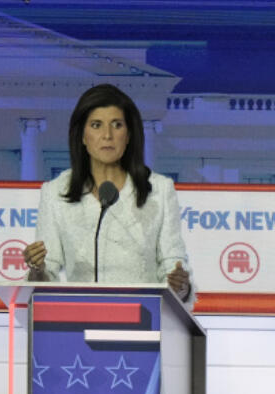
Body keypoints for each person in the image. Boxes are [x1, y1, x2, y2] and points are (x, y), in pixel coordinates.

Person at [25, 84, 192, 302]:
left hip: (143, 319)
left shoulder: (159, 190)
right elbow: (47, 273)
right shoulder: (55, 193)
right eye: (96, 125)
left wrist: (180, 284)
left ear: (129, 134)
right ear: (83, 136)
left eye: (117, 125)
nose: (107, 135)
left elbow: (173, 263)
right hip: (79, 320)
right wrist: (37, 269)